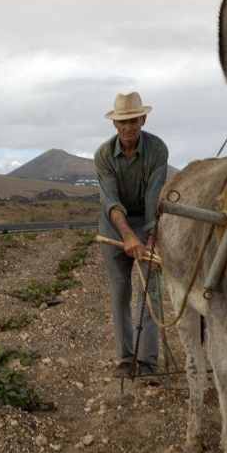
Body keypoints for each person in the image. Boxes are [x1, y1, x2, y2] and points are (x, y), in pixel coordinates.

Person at [95, 92, 169, 378]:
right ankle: (126, 360)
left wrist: (150, 236)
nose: (128, 127)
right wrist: (127, 236)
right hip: (113, 226)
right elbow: (110, 201)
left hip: (146, 222)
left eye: (133, 121)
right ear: (115, 125)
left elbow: (154, 195)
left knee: (150, 292)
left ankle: (148, 363)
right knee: (120, 293)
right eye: (122, 122)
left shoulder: (158, 149)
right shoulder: (103, 155)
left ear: (143, 119)